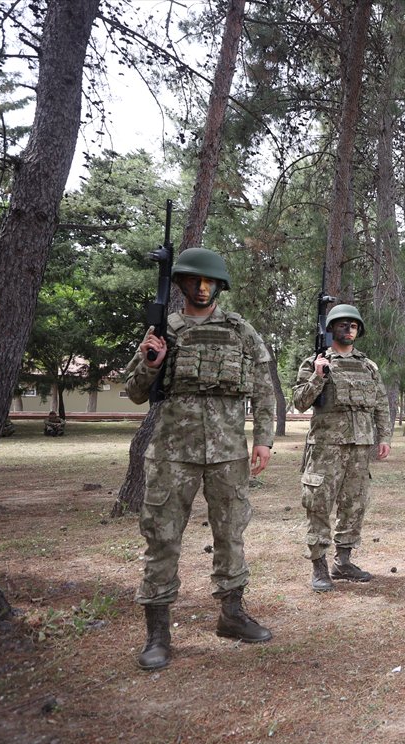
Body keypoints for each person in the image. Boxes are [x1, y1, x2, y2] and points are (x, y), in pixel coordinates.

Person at [123, 247, 275, 671]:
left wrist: (264, 439)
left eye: (209, 282)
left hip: (228, 452)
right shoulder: (164, 331)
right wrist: (152, 362)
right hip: (174, 453)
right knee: (162, 537)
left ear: (219, 287)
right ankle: (157, 632)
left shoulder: (242, 331)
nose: (202, 288)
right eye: (194, 281)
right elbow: (135, 391)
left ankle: (231, 614)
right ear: (182, 285)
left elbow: (264, 388)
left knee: (232, 533)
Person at [291, 304, 391, 591]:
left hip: (360, 448)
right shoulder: (315, 362)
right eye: (343, 324)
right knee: (319, 504)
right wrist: (318, 376)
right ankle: (319, 566)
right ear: (331, 328)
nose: (349, 329)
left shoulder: (368, 366)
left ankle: (343, 561)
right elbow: (299, 402)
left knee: (354, 504)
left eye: (354, 325)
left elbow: (381, 405)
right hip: (326, 447)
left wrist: (384, 437)